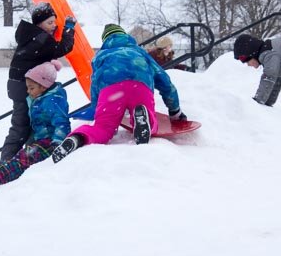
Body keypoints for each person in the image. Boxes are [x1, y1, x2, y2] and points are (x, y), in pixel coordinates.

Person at [50, 24, 187, 162]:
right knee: (149, 118)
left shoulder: (100, 57)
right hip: (139, 86)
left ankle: (77, 138)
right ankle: (144, 120)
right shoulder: (139, 52)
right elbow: (165, 81)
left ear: (105, 41)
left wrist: (98, 108)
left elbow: (95, 84)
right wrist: (175, 111)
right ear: (125, 36)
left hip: (111, 91)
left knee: (102, 129)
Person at [0, 60, 71, 194]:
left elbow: (62, 123)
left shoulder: (53, 100)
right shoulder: (41, 98)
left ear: (43, 86)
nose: (28, 91)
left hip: (50, 144)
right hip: (41, 141)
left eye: (31, 88)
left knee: (21, 160)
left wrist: (57, 143)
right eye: (27, 88)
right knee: (17, 159)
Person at [1, 2, 75, 162]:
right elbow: (64, 48)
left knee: (27, 126)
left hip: (18, 85)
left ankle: (18, 162)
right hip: (26, 87)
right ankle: (7, 164)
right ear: (39, 24)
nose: (54, 26)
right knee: (22, 128)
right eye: (50, 23)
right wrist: (69, 27)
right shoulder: (41, 39)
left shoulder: (29, 35)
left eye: (55, 22)